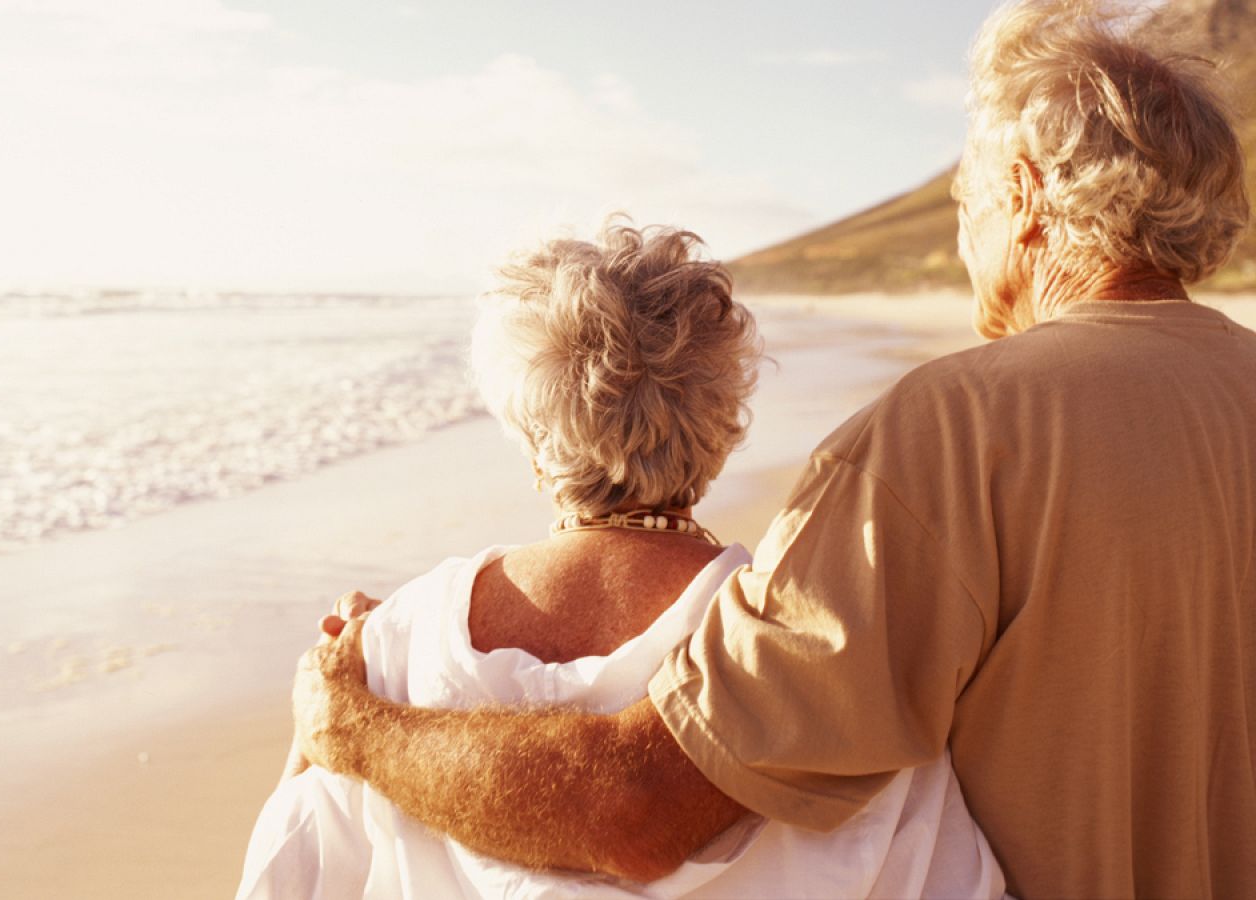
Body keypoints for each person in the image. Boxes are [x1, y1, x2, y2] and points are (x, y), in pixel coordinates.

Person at [289, 1, 1256, 896]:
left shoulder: (956, 433)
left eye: (965, 204)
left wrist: (358, 730)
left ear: (1023, 190)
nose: (967, 239)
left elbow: (642, 811)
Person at [240, 222, 1005, 898]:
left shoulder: (384, 652)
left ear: (532, 435)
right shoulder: (811, 654)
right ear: (719, 427)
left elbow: (287, 877)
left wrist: (349, 689)